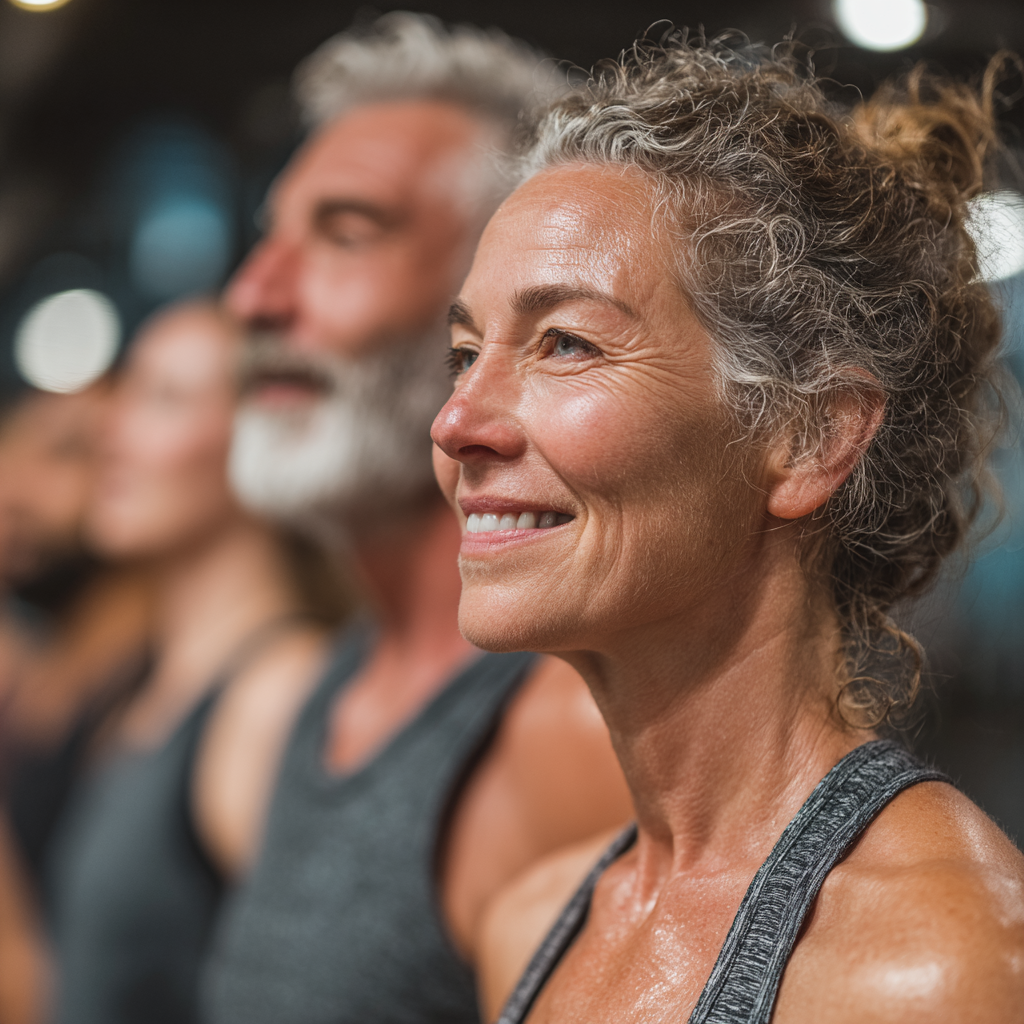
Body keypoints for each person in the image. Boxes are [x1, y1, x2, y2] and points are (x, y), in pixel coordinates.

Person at [431, 39, 1024, 1024]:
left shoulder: (935, 968)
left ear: (806, 437)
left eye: (565, 342)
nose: (456, 422)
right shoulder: (532, 924)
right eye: (463, 351)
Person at [198, 13, 632, 1024]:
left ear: (497, 297)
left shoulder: (560, 733)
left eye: (347, 233)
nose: (254, 294)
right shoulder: (325, 696)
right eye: (270, 238)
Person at [46, 300, 339, 1024]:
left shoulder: (272, 693)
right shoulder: (140, 683)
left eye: (163, 398)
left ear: (261, 436)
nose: (110, 433)